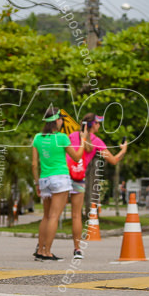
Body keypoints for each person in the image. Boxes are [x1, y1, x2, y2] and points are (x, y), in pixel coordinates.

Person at [66, 113, 127, 258]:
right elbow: (113, 160)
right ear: (94, 125)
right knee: (76, 215)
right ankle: (77, 249)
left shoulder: (71, 136)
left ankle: (43, 248)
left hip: (62, 174)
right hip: (78, 177)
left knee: (52, 215)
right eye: (99, 123)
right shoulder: (97, 141)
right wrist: (123, 149)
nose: (100, 126)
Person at [31, 110, 87, 261]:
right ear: (56, 121)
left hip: (44, 179)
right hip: (60, 179)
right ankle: (47, 253)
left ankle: (41, 249)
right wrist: (82, 140)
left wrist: (37, 183)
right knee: (54, 216)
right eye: (61, 119)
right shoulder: (61, 138)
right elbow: (76, 157)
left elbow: (34, 164)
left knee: (46, 216)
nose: (62, 122)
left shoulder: (37, 138)